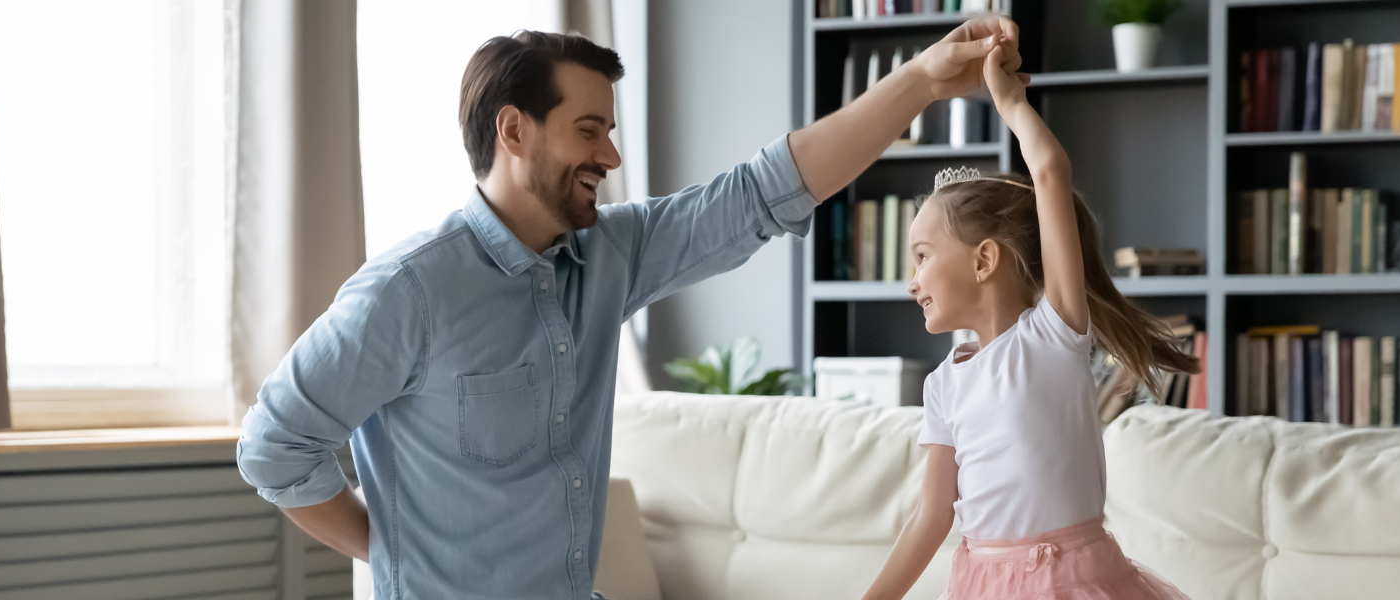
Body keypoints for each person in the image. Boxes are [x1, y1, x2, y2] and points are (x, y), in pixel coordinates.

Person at [238, 19, 1022, 600]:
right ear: (514, 130)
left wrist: (918, 80)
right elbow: (274, 446)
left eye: (610, 132)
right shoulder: (409, 292)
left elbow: (768, 188)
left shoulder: (611, 253)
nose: (610, 158)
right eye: (589, 130)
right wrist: (399, 553)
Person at [858, 44, 1194, 600]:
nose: (911, 282)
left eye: (921, 256)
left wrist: (1010, 103)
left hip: (1076, 583)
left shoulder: (1052, 335)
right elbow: (930, 517)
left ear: (984, 260)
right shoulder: (943, 386)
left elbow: (1048, 172)